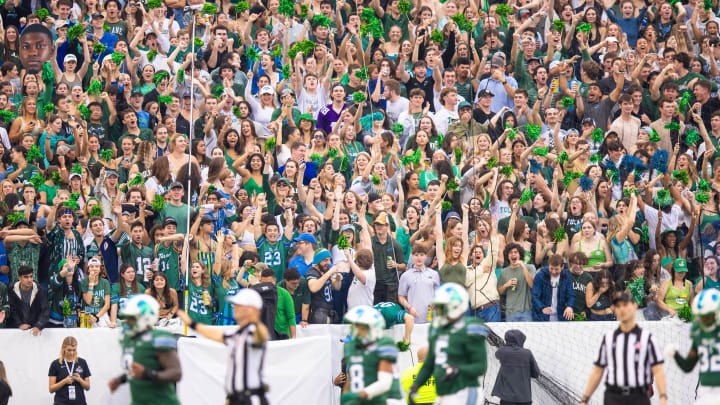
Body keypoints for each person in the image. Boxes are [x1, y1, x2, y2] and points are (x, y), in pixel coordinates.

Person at [176, 289, 270, 405]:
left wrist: (255, 318)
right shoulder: (238, 334)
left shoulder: (253, 332)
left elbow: (261, 336)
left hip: (251, 398)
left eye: (238, 305)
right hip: (237, 398)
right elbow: (217, 334)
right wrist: (192, 324)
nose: (234, 307)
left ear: (250, 309)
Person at [579, 292, 667, 405]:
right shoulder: (609, 339)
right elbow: (598, 371)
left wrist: (663, 397)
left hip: (639, 396)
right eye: (618, 306)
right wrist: (585, 399)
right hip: (614, 396)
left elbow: (658, 370)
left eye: (625, 305)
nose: (622, 309)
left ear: (634, 306)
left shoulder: (647, 338)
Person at [408, 283, 488, 405]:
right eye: (437, 307)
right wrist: (416, 385)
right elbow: (429, 363)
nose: (438, 311)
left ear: (456, 306)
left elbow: (480, 366)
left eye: (441, 307)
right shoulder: (436, 329)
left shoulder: (470, 328)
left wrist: (458, 370)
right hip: (443, 393)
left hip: (464, 391)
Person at [108, 295, 182, 405]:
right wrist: (121, 379)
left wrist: (147, 375)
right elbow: (136, 368)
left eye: (132, 318)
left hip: (162, 402)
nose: (127, 322)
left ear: (146, 317)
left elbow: (176, 373)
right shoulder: (128, 338)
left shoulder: (158, 338)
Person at [665, 288, 720, 404]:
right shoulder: (700, 335)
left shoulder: (700, 335)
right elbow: (687, 366)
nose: (705, 320)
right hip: (705, 393)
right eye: (702, 316)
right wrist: (675, 354)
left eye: (708, 316)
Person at [340, 305, 402, 404]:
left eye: (359, 326)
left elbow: (384, 383)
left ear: (371, 327)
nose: (355, 329)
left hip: (387, 399)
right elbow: (351, 377)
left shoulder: (384, 343)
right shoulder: (351, 347)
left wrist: (358, 395)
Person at [491, 330, 540, 405]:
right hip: (525, 397)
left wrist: (506, 345)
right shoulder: (527, 353)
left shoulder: (503, 351)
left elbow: (497, 355)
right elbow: (536, 373)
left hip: (507, 397)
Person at [530, 254, 575, 321]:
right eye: (551, 268)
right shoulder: (540, 276)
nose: (554, 272)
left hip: (560, 315)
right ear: (548, 265)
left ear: (562, 267)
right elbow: (535, 296)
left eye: (556, 269)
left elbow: (571, 295)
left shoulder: (566, 276)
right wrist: (542, 308)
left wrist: (569, 306)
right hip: (542, 316)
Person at [48, 336, 91, 405]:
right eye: (69, 350)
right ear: (63, 349)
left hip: (80, 402)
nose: (72, 353)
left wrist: (80, 380)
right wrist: (64, 381)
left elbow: (88, 387)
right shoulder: (55, 364)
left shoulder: (82, 362)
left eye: (74, 350)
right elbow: (51, 389)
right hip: (61, 402)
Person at [8, 265, 48, 335]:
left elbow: (45, 310)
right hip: (17, 329)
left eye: (31, 276)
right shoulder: (12, 290)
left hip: (35, 328)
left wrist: (38, 326)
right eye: (26, 277)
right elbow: (12, 310)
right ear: (19, 278)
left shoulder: (40, 290)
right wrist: (19, 324)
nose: (29, 280)